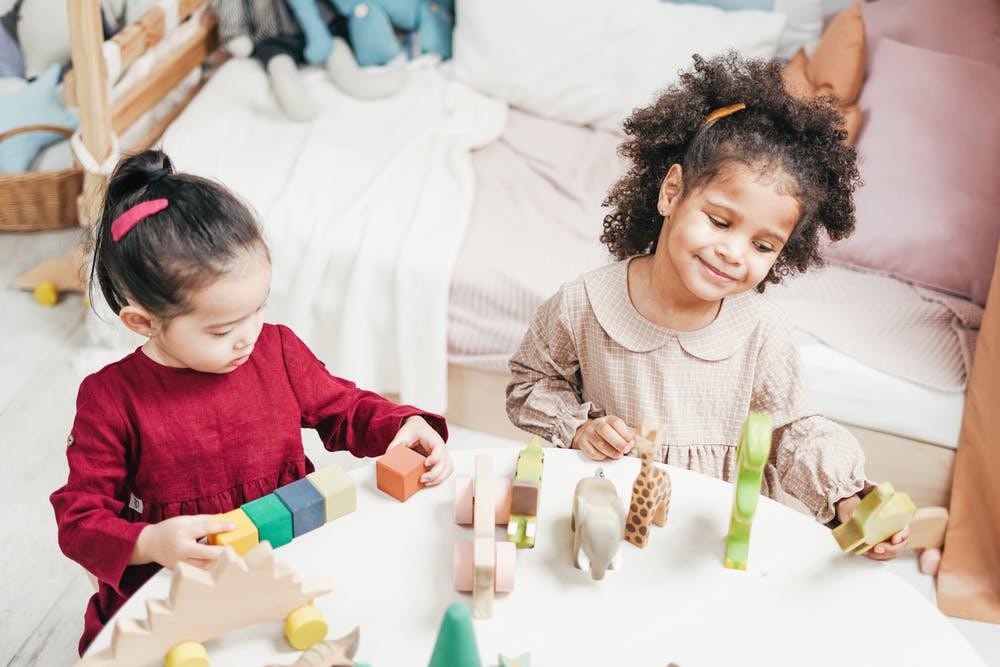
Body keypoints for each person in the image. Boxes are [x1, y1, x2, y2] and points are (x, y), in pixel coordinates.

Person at [506, 54, 909, 560]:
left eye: (764, 246)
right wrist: (579, 427)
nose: (734, 253)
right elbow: (530, 384)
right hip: (610, 521)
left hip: (717, 540)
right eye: (720, 221)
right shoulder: (584, 303)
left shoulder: (761, 331)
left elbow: (793, 432)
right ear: (672, 192)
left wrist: (847, 496)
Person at [51, 150, 453, 654]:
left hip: (285, 556)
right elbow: (80, 517)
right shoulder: (110, 398)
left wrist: (402, 425)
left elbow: (343, 408)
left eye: (258, 308)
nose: (247, 338)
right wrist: (148, 543)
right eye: (222, 329)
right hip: (178, 583)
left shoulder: (277, 349)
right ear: (143, 322)